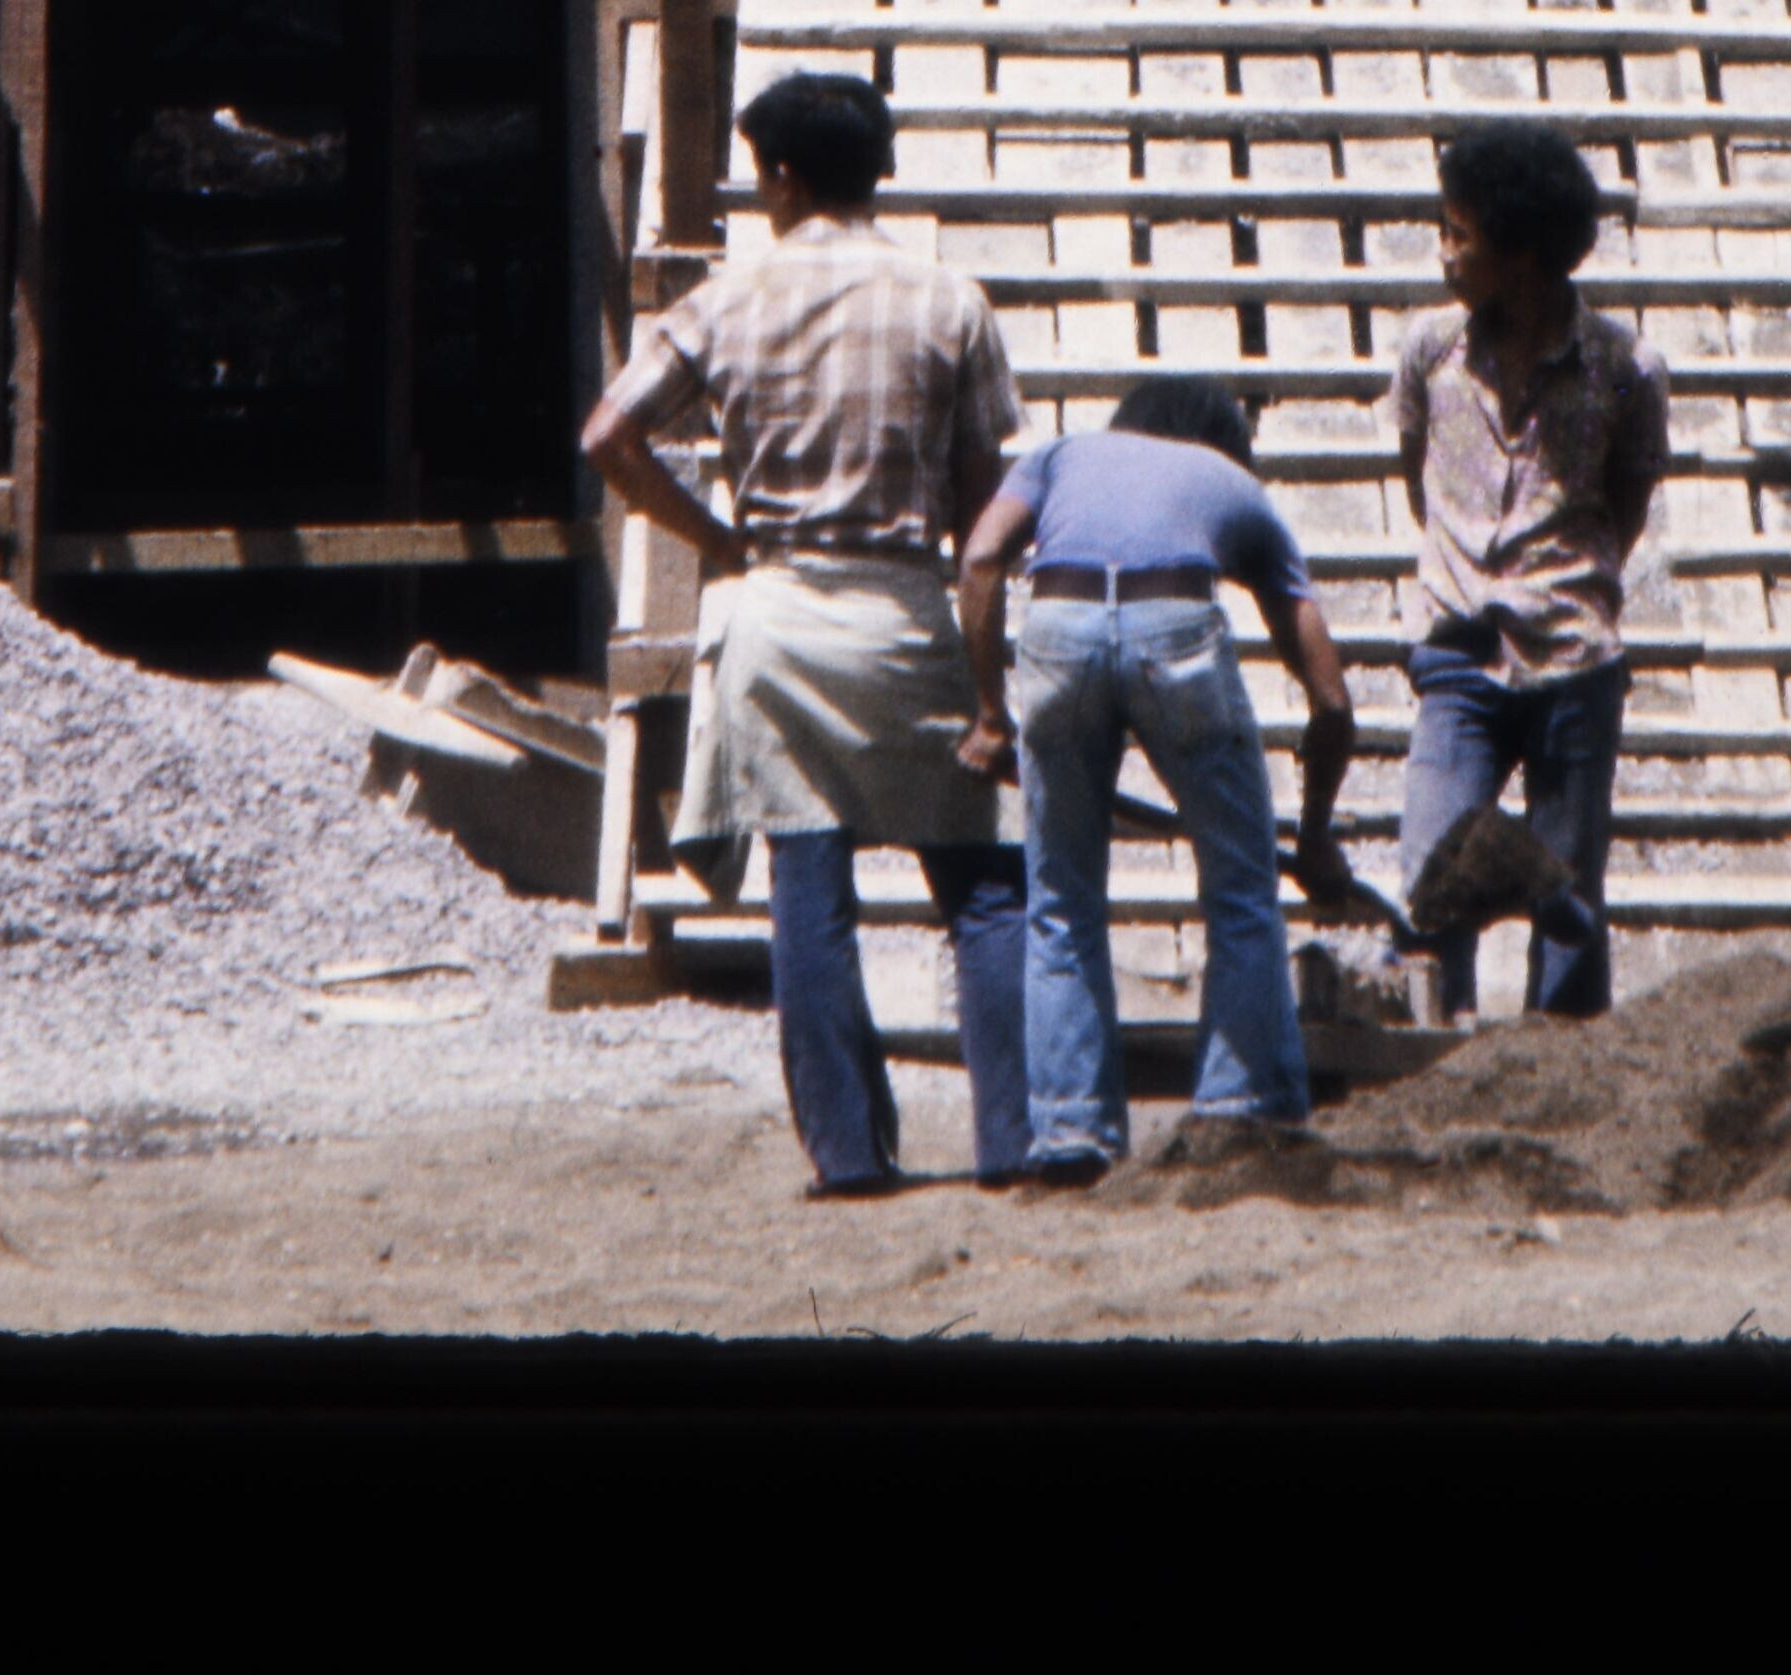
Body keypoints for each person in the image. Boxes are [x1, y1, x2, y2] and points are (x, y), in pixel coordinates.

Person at [584, 70, 1038, 1196]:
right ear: (877, 169)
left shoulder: (725, 299)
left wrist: (714, 536)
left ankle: (847, 1152)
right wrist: (993, 684)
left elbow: (607, 436)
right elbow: (982, 513)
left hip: (781, 608)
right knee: (985, 883)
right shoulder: (950, 301)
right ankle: (1014, 1137)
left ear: (783, 176)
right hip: (907, 607)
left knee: (809, 882)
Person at [951, 368, 1362, 1176]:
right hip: (1177, 625)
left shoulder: (1059, 455)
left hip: (1058, 622)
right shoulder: (1228, 479)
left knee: (1060, 899)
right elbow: (1332, 698)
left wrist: (993, 715)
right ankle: (1241, 1109)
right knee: (1240, 891)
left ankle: (1072, 1128)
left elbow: (982, 556)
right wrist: (1315, 838)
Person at [1381, 117, 1666, 1019]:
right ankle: (1433, 1057)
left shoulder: (1625, 368)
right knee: (1432, 877)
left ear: (1521, 253)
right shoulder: (1431, 350)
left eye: (1460, 235)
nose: (1444, 253)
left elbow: (1626, 502)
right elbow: (1418, 475)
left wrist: (1565, 583)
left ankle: (1564, 1069)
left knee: (1569, 893)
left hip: (1573, 660)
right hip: (1458, 654)